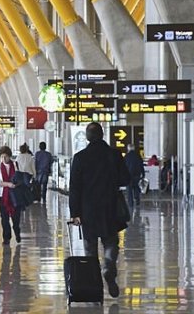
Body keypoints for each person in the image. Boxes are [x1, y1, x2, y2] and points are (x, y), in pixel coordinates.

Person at [69, 122, 129, 298]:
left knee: (90, 248)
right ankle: (109, 267)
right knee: (111, 242)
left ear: (87, 137)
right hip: (110, 208)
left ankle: (94, 284)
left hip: (88, 211)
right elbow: (125, 179)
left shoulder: (80, 157)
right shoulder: (114, 154)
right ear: (102, 135)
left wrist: (75, 214)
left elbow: (75, 188)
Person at [0, 146, 22, 244]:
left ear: (9, 156)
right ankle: (6, 237)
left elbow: (20, 177)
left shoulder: (15, 165)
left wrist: (16, 184)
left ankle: (17, 231)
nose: (3, 159)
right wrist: (7, 184)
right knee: (4, 217)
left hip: (15, 195)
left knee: (16, 217)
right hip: (2, 196)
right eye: (1, 157)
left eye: (5, 156)